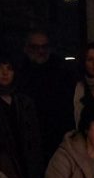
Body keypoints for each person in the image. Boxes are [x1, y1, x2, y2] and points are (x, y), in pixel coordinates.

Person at [16, 30, 76, 165]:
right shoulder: (19, 74)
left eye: (44, 47)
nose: (41, 51)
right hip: (28, 138)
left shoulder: (61, 72)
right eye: (35, 47)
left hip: (57, 135)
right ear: (27, 48)